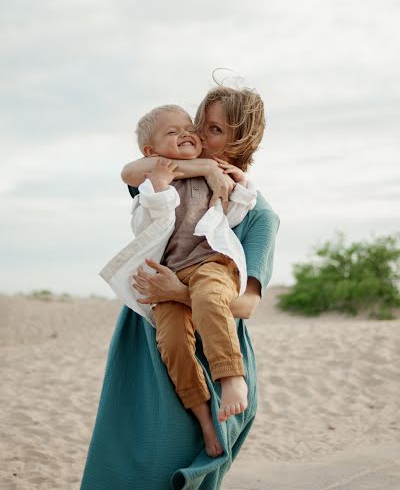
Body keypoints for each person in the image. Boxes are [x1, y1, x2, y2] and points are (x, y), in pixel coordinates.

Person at [80, 84, 279, 490]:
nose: (201, 137)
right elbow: (131, 171)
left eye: (215, 130)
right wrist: (205, 168)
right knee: (119, 465)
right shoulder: (170, 178)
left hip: (213, 346)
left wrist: (178, 292)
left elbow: (247, 305)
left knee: (178, 473)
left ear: (240, 141)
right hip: (145, 341)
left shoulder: (257, 212)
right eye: (198, 125)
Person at [100, 103, 258, 457]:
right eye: (173, 132)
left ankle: (232, 377)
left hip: (210, 263)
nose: (187, 133)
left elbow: (231, 216)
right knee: (171, 341)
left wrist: (242, 187)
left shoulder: (214, 174)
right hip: (170, 270)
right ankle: (203, 416)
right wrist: (158, 189)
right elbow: (146, 228)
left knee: (209, 297)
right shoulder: (151, 187)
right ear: (151, 152)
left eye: (190, 128)